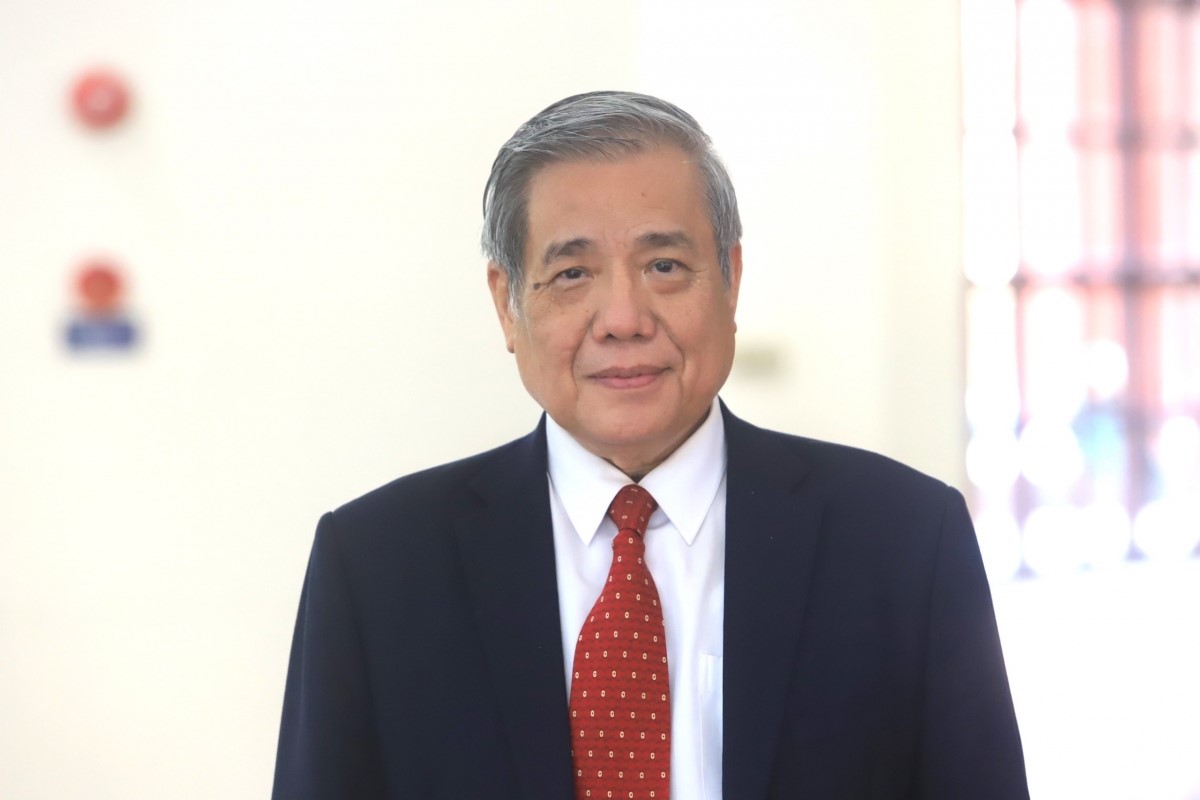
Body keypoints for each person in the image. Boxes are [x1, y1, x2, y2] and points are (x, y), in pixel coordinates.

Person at [272, 91, 1028, 799]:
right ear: (507, 305)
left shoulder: (905, 540)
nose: (624, 319)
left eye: (664, 266)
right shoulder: (375, 565)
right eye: (572, 273)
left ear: (730, 279)